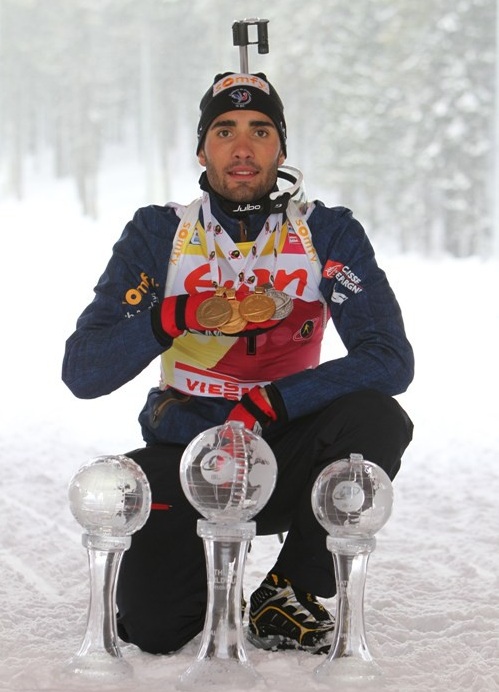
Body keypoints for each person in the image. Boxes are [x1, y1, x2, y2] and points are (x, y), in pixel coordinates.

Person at [62, 71, 414, 656]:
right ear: (201, 150)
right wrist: (174, 314)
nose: (243, 148)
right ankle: (200, 579)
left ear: (282, 148)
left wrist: (273, 400)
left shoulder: (325, 232)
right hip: (187, 453)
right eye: (225, 131)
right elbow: (84, 371)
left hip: (285, 450)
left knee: (377, 416)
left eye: (261, 131)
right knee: (156, 631)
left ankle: (289, 589)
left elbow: (390, 359)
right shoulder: (160, 233)